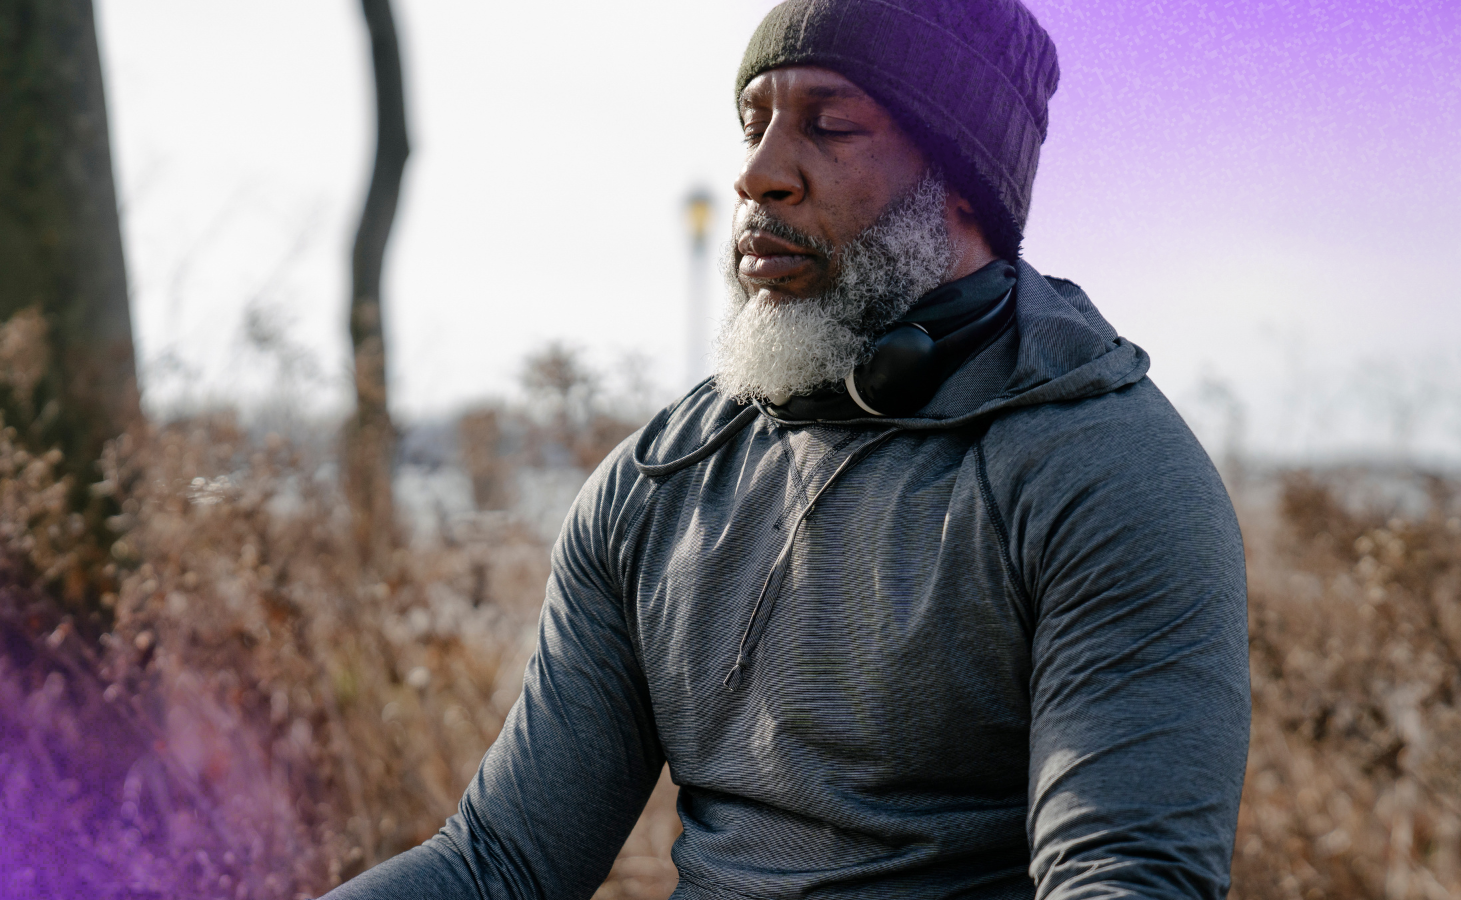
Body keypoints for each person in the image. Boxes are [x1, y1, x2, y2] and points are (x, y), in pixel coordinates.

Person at [328, 0, 1250, 897]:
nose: (759, 174)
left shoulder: (1106, 473)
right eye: (753, 123)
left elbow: (1126, 880)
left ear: (964, 179)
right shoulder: (657, 482)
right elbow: (503, 865)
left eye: (830, 126)